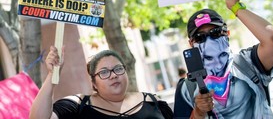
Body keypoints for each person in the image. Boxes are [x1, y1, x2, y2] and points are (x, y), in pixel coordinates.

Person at [173, 0, 273, 118]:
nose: (210, 42)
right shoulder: (187, 89)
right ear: (191, 44)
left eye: (216, 33)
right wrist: (198, 112)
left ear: (227, 34)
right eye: (200, 37)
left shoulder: (249, 63)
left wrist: (235, 6)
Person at [29, 47, 173, 119]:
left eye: (118, 69)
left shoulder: (154, 101)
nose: (113, 76)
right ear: (93, 82)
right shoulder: (78, 105)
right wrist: (52, 75)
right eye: (104, 72)